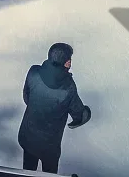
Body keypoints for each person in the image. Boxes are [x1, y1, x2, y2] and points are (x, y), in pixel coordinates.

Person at [17, 42, 91, 174]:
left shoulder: (34, 72)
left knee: (28, 170)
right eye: (69, 60)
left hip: (28, 136)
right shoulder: (68, 87)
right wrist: (86, 113)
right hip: (49, 146)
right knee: (49, 173)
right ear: (66, 63)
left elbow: (26, 97)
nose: (70, 62)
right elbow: (78, 114)